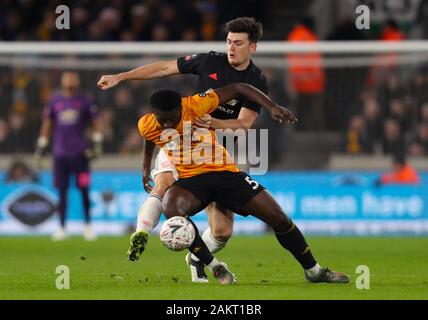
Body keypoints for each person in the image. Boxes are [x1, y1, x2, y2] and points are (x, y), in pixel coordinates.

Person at [98, 17, 269, 283]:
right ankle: (142, 230)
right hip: (180, 142)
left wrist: (214, 122)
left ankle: (196, 256)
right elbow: (164, 68)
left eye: (238, 43)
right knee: (163, 184)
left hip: (215, 158)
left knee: (222, 232)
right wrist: (122, 76)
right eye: (228, 41)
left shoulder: (257, 81)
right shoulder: (209, 61)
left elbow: (244, 125)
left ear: (253, 47)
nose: (231, 47)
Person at [133, 83, 350, 285]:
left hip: (226, 174)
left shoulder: (196, 104)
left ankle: (313, 271)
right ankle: (214, 266)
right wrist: (145, 168)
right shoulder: (147, 124)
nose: (168, 124)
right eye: (163, 121)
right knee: (172, 209)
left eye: (172, 118)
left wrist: (271, 106)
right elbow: (150, 138)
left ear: (180, 107)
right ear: (154, 115)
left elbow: (239, 88)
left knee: (280, 219)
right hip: (191, 181)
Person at [35, 71, 103, 241]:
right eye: (68, 77)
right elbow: (47, 123)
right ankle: (62, 227)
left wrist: (97, 142)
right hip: (60, 155)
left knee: (84, 190)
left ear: (77, 81)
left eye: (73, 77)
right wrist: (42, 144)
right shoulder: (55, 101)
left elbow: (95, 123)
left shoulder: (85, 100)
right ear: (63, 81)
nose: (70, 80)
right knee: (62, 192)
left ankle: (88, 226)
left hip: (81, 154)